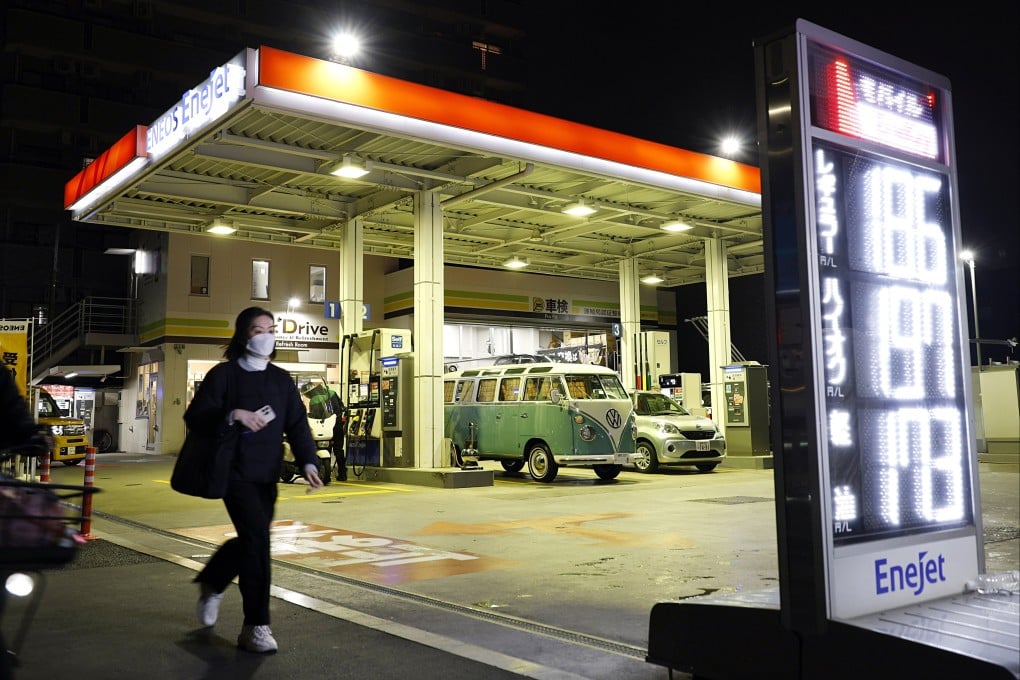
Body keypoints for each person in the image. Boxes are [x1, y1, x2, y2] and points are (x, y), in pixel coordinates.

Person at [186, 307, 323, 654]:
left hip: (267, 474)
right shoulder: (224, 376)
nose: (265, 335)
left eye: (271, 329)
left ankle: (213, 582)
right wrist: (232, 414)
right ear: (242, 335)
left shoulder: (280, 379)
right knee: (258, 543)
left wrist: (308, 460)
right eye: (257, 329)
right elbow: (196, 416)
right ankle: (256, 626)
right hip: (234, 472)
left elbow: (297, 424)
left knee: (252, 540)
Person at [326, 386, 348, 481]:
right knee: (338, 449)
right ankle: (342, 474)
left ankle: (326, 475)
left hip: (326, 426)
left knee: (326, 448)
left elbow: (315, 414)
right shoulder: (333, 393)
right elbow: (342, 407)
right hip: (338, 425)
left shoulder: (315, 399)